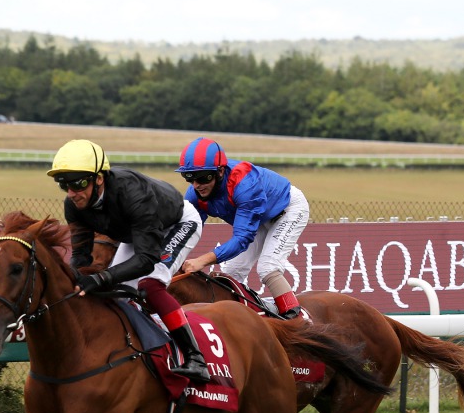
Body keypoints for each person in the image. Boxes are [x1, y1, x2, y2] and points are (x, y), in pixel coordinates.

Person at [48, 139, 211, 381]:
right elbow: (81, 257)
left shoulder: (132, 192)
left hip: (177, 223)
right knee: (117, 290)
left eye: (79, 183)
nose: (72, 193)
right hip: (137, 232)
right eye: (64, 185)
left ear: (99, 178)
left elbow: (146, 259)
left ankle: (195, 357)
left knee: (150, 285)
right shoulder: (74, 205)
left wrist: (100, 278)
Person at [176, 137, 310, 319]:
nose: (196, 185)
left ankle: (298, 321)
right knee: (230, 273)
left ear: (220, 172)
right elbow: (187, 229)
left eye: (202, 178)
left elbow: (242, 239)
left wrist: (202, 260)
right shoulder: (195, 193)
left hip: (288, 210)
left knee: (268, 268)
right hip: (260, 218)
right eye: (189, 178)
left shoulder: (244, 184)